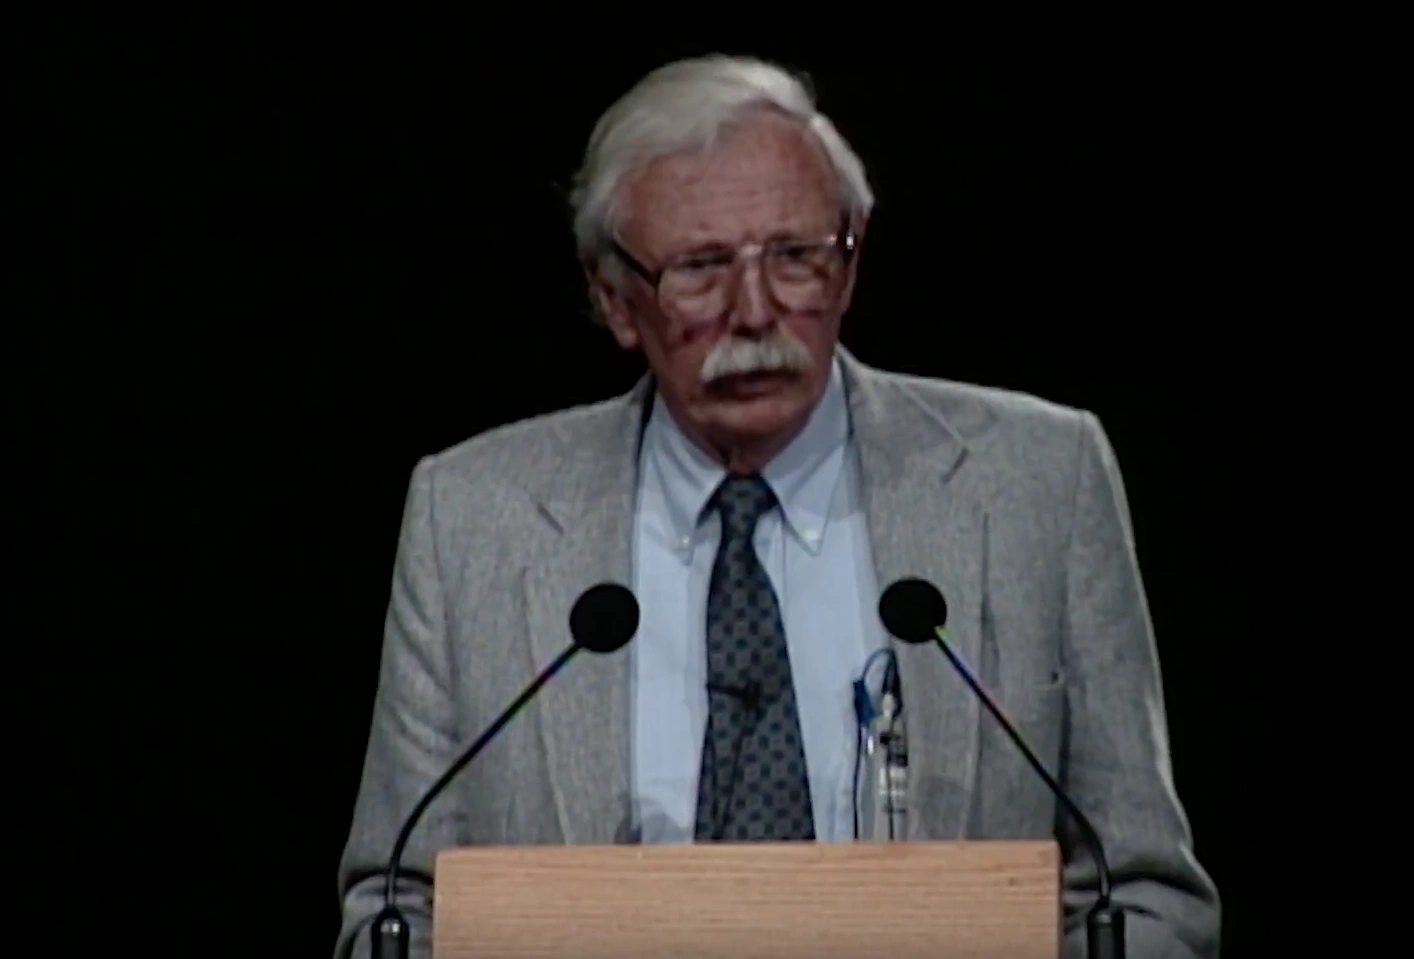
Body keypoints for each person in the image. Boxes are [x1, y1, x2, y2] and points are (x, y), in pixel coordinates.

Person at [335, 54, 1220, 958]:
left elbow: (1144, 894)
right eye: (700, 269)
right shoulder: (473, 516)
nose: (754, 312)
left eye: (795, 258)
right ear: (613, 299)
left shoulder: (1040, 481)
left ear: (851, 258)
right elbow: (397, 910)